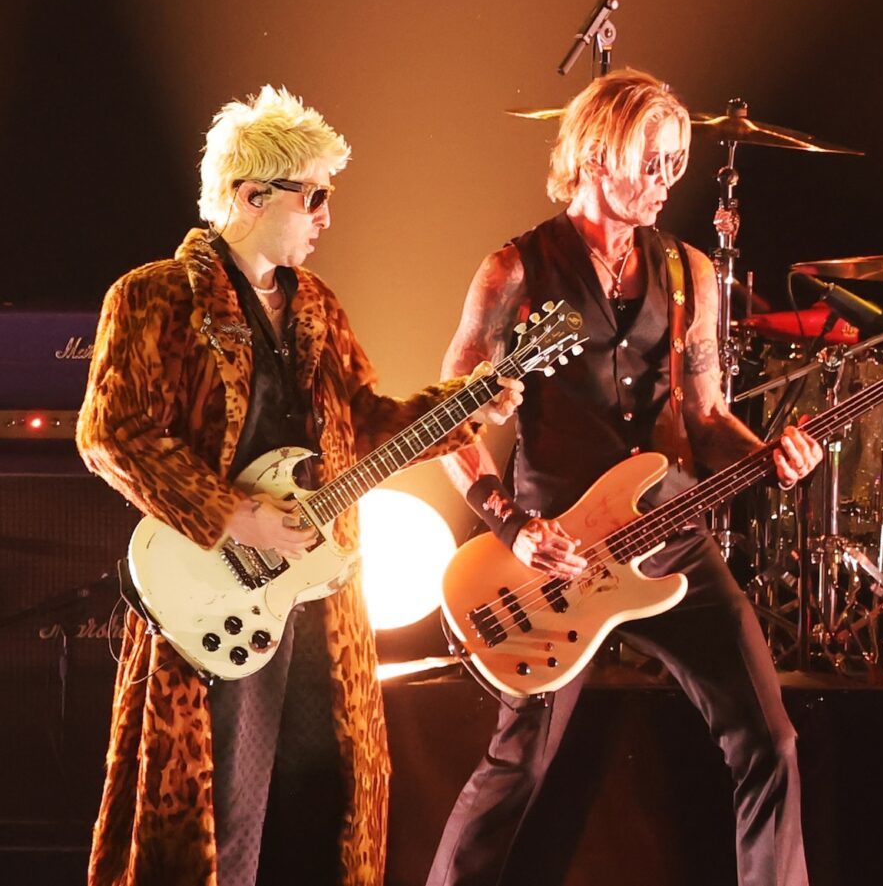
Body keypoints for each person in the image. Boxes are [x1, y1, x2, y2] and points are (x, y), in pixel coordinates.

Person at [76, 85, 520, 886]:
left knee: (320, 809)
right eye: (313, 194)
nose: (325, 214)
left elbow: (370, 425)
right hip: (215, 600)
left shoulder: (317, 305)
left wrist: (469, 405)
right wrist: (234, 516)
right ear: (250, 195)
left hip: (320, 606)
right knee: (221, 820)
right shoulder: (152, 298)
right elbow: (110, 434)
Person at [427, 69, 822, 886]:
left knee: (770, 739)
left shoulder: (689, 273)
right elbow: (447, 424)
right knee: (520, 768)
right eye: (652, 160)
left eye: (676, 162)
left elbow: (707, 420)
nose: (665, 181)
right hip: (556, 553)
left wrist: (770, 456)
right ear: (597, 153)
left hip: (670, 536)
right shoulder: (516, 271)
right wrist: (515, 527)